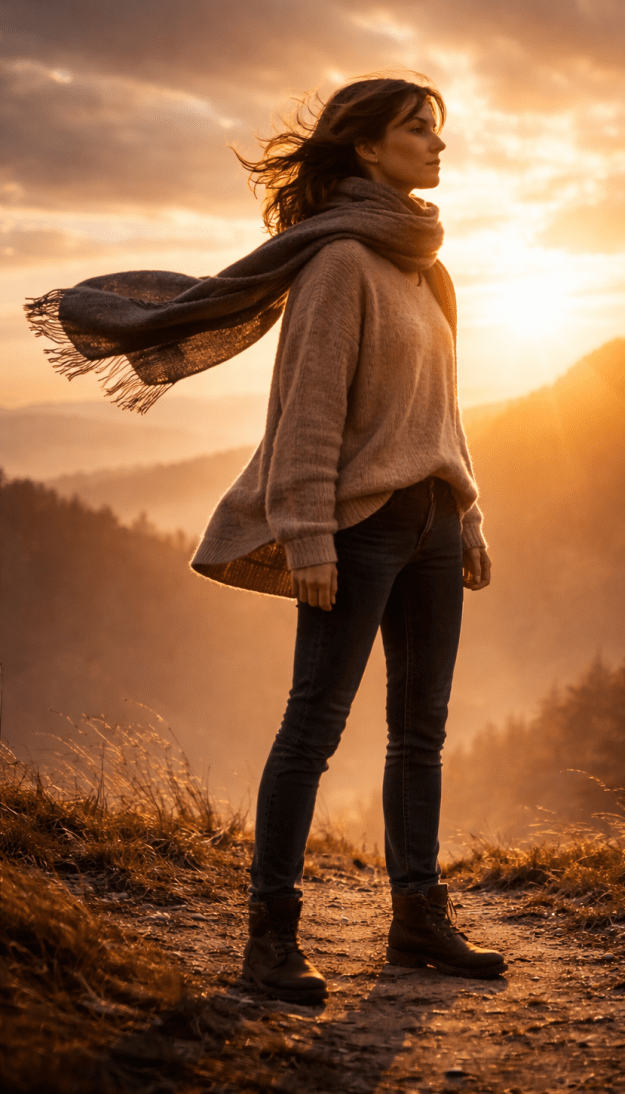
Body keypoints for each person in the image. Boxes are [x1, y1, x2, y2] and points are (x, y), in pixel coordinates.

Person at [25, 73, 506, 1006]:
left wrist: (471, 512)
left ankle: (417, 919)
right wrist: (307, 537)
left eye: (437, 132)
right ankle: (271, 939)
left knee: (421, 732)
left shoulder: (426, 266)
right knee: (312, 731)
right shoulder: (338, 266)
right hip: (357, 530)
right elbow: (308, 416)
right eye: (418, 131)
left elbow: (443, 409)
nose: (438, 147)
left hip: (435, 525)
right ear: (368, 149)